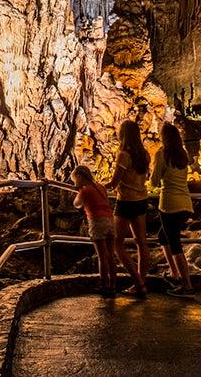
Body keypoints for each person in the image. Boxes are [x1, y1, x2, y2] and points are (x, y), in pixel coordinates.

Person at [106, 120, 150, 297]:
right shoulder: (145, 154)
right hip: (142, 199)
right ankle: (142, 282)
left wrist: (97, 186)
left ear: (123, 135)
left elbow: (114, 182)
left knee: (116, 244)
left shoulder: (124, 155)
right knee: (141, 243)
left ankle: (138, 281)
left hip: (126, 201)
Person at [151, 123, 195, 298]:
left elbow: (154, 181)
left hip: (169, 205)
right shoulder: (183, 154)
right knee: (163, 237)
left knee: (175, 245)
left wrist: (154, 175)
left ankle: (187, 286)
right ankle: (174, 273)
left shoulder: (162, 155)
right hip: (186, 204)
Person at [71, 165, 117, 296]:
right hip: (110, 221)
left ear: (80, 177)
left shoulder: (85, 191)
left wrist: (78, 191)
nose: (75, 183)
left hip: (97, 222)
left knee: (102, 257)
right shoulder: (101, 187)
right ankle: (113, 285)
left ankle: (104, 285)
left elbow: (76, 204)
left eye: (75, 180)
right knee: (111, 256)